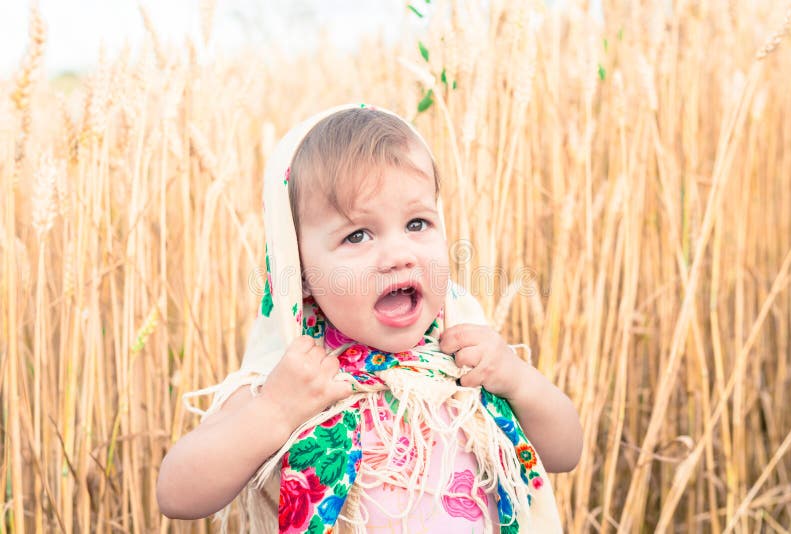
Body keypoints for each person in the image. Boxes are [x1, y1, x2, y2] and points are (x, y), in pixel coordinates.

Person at [156, 104, 582, 533]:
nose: (399, 255)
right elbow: (175, 495)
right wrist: (275, 411)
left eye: (417, 223)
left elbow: (566, 453)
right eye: (357, 235)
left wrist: (518, 379)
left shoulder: (462, 350)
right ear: (300, 272)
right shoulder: (296, 373)